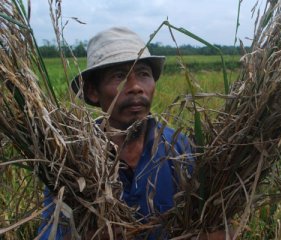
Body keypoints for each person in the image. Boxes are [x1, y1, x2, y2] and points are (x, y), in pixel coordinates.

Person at [38, 27, 226, 240]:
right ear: (92, 91)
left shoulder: (181, 150)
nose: (136, 87)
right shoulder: (72, 160)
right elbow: (49, 232)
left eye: (144, 74)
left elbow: (216, 226)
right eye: (120, 76)